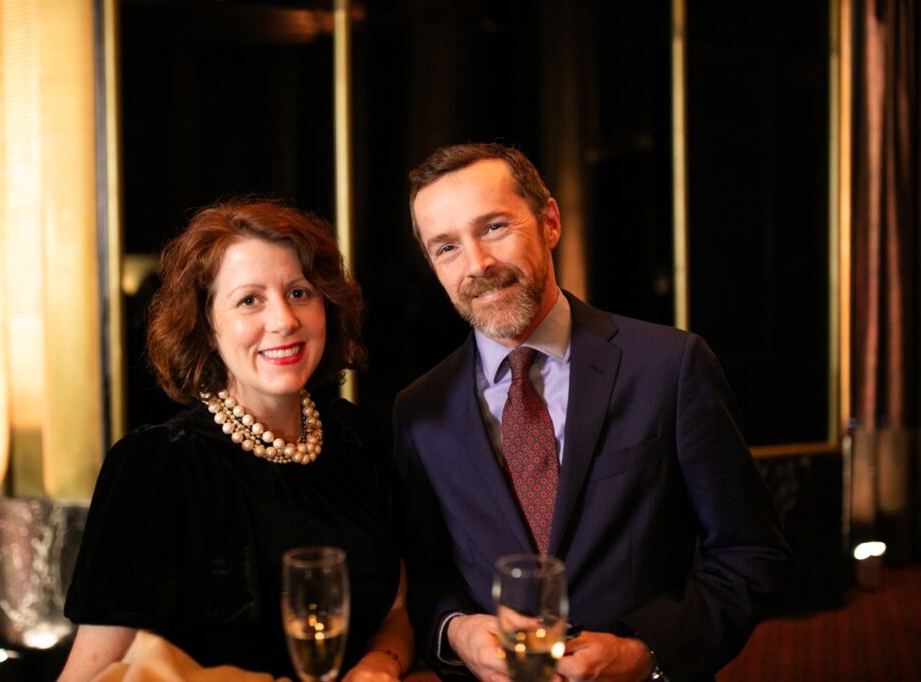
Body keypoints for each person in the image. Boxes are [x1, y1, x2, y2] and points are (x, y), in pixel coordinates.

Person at [393, 143, 793, 682]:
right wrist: (456, 630)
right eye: (446, 247)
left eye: (493, 227)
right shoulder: (419, 411)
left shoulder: (670, 367)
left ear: (550, 221)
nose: (477, 264)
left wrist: (646, 653)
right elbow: (425, 575)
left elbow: (753, 554)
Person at [60, 198, 412, 681]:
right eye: (250, 300)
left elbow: (397, 611)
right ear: (206, 327)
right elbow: (90, 676)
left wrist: (380, 664)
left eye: (300, 292)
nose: (284, 320)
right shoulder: (154, 467)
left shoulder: (355, 437)